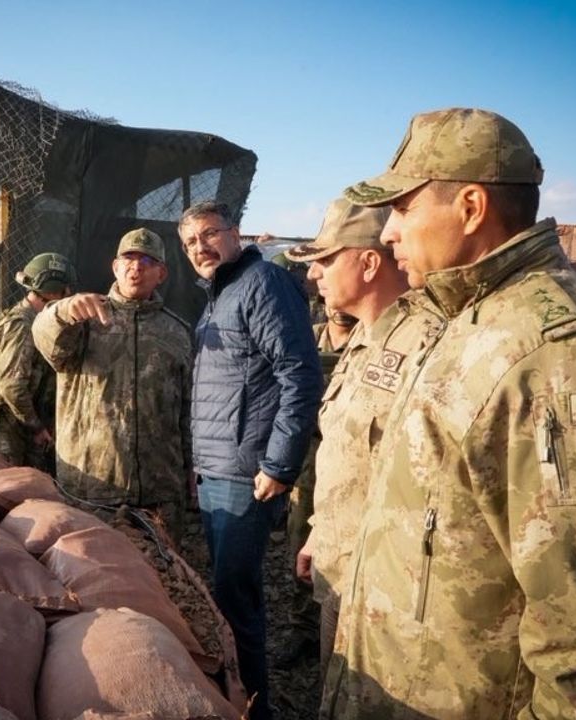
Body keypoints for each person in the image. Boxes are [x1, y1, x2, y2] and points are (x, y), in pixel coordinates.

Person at [328, 108, 576, 718]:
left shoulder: (566, 353)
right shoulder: (465, 315)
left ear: (470, 207)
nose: (388, 232)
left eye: (402, 208)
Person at [182, 201, 323, 720]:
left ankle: (255, 708)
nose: (200, 247)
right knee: (228, 592)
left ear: (235, 233)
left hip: (248, 472)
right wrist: (199, 465)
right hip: (219, 468)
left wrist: (280, 465)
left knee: (236, 598)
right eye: (190, 242)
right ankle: (241, 693)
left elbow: (300, 375)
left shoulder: (262, 283)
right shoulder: (220, 295)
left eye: (209, 234)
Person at [278, 198, 427, 684]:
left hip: (388, 591)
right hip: (342, 568)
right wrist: (322, 532)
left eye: (325, 259)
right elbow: (354, 456)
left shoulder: (428, 343)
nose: (313, 273)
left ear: (368, 263)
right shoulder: (366, 340)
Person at [33, 229, 193, 539]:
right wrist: (61, 311)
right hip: (93, 487)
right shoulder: (83, 318)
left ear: (161, 274)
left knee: (162, 564)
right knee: (91, 563)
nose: (137, 267)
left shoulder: (176, 332)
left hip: (159, 489)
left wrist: (190, 466)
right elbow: (46, 338)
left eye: (147, 261)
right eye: (129, 259)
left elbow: (187, 407)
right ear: (115, 267)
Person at [271, 250, 353, 670]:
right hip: (309, 459)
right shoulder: (308, 337)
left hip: (349, 459)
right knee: (301, 542)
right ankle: (303, 627)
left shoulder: (369, 342)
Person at [0, 252, 75, 470]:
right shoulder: (24, 326)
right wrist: (36, 427)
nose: (69, 295)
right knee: (4, 483)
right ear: (53, 291)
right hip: (5, 422)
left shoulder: (25, 318)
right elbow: (12, 386)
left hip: (16, 419)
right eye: (65, 290)